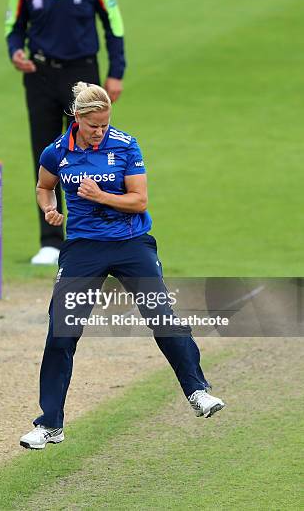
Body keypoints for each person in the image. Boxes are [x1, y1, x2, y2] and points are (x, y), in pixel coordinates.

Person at [20, 82, 225, 450]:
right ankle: (49, 424)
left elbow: (139, 201)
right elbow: (43, 186)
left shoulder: (126, 145)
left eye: (105, 123)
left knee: (162, 317)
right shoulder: (56, 153)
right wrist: (50, 208)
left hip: (131, 244)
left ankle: (197, 391)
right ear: (77, 118)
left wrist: (101, 196)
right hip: (83, 248)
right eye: (94, 125)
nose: (100, 131)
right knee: (61, 332)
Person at [5, 0, 126, 265]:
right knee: (46, 154)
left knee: (91, 151)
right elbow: (15, 26)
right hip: (40, 75)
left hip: (83, 74)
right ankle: (50, 241)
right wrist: (15, 51)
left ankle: (94, 234)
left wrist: (116, 71)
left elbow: (113, 24)